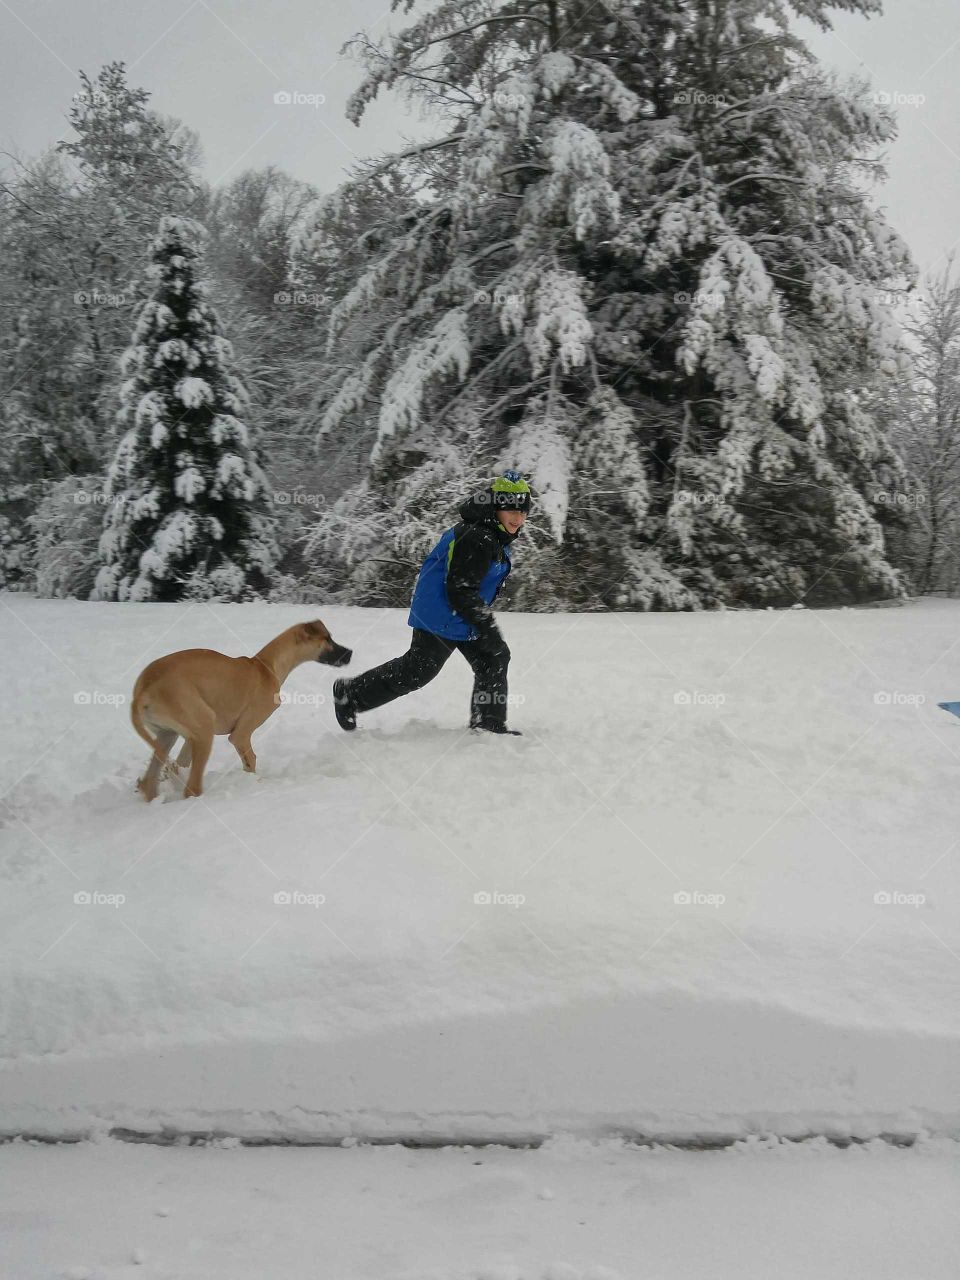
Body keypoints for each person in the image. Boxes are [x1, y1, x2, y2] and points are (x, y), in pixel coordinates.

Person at [332, 470, 532, 735]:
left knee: (494, 657)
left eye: (522, 511)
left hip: (462, 611)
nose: (518, 518)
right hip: (441, 611)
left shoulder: (493, 533)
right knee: (418, 670)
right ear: (496, 507)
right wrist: (487, 625)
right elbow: (460, 589)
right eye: (510, 510)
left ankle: (489, 724)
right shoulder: (477, 536)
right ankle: (350, 694)